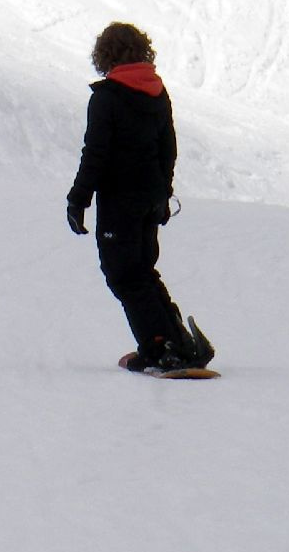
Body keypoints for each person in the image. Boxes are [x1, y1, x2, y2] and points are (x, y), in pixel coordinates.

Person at [66, 22, 214, 374]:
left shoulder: (107, 98)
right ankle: (175, 341)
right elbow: (168, 150)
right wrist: (162, 194)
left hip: (121, 202)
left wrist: (78, 200)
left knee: (125, 275)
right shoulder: (157, 93)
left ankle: (159, 348)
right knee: (142, 272)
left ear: (105, 56)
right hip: (149, 200)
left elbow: (96, 154)